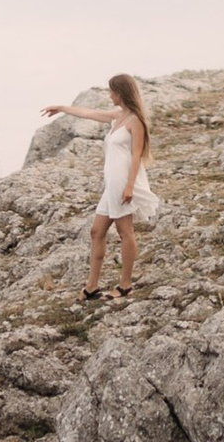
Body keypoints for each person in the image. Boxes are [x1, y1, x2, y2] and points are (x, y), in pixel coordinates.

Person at [44, 74, 156, 301]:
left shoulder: (136, 121)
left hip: (123, 183)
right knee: (96, 231)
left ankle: (125, 285)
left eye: (111, 91)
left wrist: (130, 186)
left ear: (121, 93)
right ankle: (92, 286)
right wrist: (63, 108)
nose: (109, 95)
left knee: (125, 233)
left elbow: (137, 156)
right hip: (111, 184)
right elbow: (89, 113)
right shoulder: (118, 117)